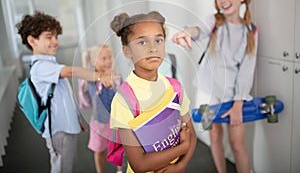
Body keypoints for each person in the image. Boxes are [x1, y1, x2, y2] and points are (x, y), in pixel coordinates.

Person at [172, 0, 257, 173]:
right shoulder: (214, 21)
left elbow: (247, 69)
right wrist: (187, 32)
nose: (223, 0)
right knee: (215, 137)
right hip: (207, 91)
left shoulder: (251, 31)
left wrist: (238, 103)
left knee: (237, 144)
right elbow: (198, 29)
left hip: (233, 94)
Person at [16, 11, 112, 173]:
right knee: (61, 168)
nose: (55, 42)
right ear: (32, 41)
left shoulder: (50, 65)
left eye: (56, 37)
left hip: (65, 127)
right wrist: (98, 76)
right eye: (49, 37)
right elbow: (69, 71)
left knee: (65, 165)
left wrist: (76, 119)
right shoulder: (41, 67)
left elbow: (63, 97)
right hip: (58, 130)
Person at [109, 11, 197, 173]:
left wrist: (180, 166)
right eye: (142, 42)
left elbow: (192, 133)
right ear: (127, 51)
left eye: (158, 40)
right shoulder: (124, 100)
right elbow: (139, 165)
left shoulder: (174, 87)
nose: (152, 48)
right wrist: (182, 147)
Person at [78, 44, 122, 173]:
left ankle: (119, 170)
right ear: (92, 62)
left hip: (116, 121)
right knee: (99, 150)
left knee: (118, 149)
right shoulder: (90, 79)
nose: (108, 61)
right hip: (99, 123)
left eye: (109, 57)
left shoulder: (116, 76)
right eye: (103, 58)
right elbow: (85, 81)